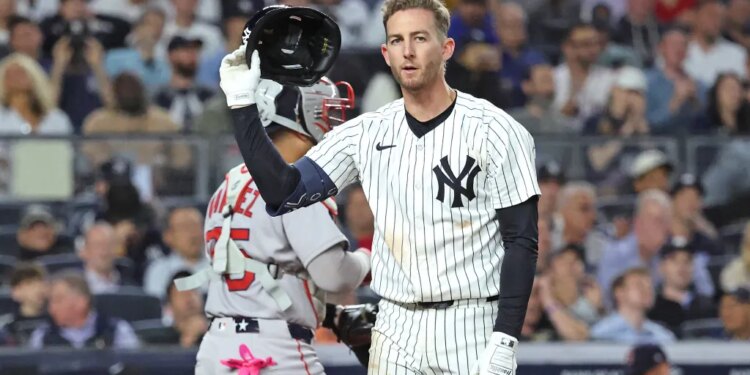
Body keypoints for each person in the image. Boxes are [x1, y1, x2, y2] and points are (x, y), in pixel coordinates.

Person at [220, 1, 540, 373]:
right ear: (385, 54)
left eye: (420, 38)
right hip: (394, 325)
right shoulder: (365, 132)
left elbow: (521, 242)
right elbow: (282, 193)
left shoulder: (497, 130)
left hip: (470, 322)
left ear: (446, 48)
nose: (408, 51)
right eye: (397, 40)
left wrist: (504, 338)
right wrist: (242, 105)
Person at [182, 76, 372, 374]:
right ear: (301, 117)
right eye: (327, 113)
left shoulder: (228, 184)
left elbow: (263, 274)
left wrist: (328, 314)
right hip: (274, 352)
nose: (333, 125)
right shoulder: (295, 184)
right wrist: (367, 261)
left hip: (215, 352)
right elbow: (334, 276)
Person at [28, 271, 140, 349]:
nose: (52, 308)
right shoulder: (42, 337)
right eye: (50, 301)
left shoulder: (117, 331)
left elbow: (136, 367)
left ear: (81, 302)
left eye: (58, 300)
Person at [590, 267, 676, 344]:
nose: (647, 290)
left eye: (650, 287)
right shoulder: (602, 334)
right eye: (639, 285)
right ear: (619, 293)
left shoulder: (662, 335)